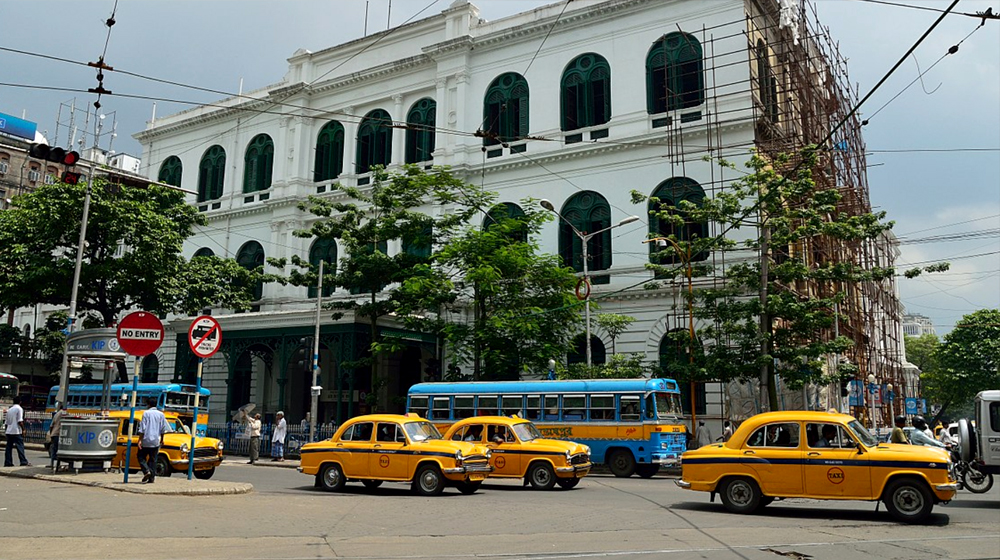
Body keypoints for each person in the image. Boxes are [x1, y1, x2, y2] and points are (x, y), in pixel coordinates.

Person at [136, 398, 171, 483]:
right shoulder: (161, 414)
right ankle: (151, 478)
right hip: (156, 441)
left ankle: (146, 471)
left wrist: (139, 440)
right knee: (153, 460)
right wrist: (162, 439)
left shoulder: (146, 413)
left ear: (148, 405)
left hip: (146, 440)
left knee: (140, 457)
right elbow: (163, 429)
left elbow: (142, 428)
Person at [4, 396, 31, 467]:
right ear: (20, 402)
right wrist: (23, 429)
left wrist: (6, 430)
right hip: (16, 431)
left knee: (8, 448)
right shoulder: (19, 409)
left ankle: (8, 462)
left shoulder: (9, 409)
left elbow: (6, 422)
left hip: (9, 431)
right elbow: (20, 421)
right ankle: (23, 461)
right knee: (20, 446)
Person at [46, 402, 67, 467]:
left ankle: (53, 464)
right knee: (58, 450)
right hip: (59, 434)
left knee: (54, 450)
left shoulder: (56, 414)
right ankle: (56, 465)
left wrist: (51, 434)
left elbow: (51, 426)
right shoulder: (64, 413)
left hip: (54, 434)